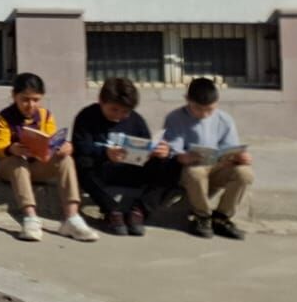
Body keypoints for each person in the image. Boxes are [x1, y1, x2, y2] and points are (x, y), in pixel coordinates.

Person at [0, 72, 98, 242]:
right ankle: (30, 217)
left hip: (36, 165)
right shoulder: (5, 116)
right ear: (14, 96)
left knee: (66, 160)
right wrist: (12, 148)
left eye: (36, 100)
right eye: (25, 99)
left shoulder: (45, 115)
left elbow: (51, 141)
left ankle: (72, 218)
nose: (30, 105)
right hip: (9, 167)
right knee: (17, 162)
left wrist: (62, 147)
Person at [71, 77, 176, 236]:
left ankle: (139, 211)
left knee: (171, 165)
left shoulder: (136, 120)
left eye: (125, 112)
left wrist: (159, 153)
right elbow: (80, 147)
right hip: (101, 172)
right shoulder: (86, 117)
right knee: (81, 163)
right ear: (101, 101)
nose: (119, 116)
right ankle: (112, 211)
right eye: (114, 109)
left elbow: (146, 145)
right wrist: (105, 153)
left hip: (131, 170)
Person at [162, 77, 253, 240]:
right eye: (198, 109)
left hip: (218, 167)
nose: (204, 114)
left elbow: (230, 148)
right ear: (187, 100)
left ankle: (222, 217)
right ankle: (202, 216)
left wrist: (240, 158)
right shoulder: (175, 118)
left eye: (210, 109)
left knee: (245, 174)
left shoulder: (224, 119)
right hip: (190, 169)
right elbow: (173, 150)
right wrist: (184, 157)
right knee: (195, 172)